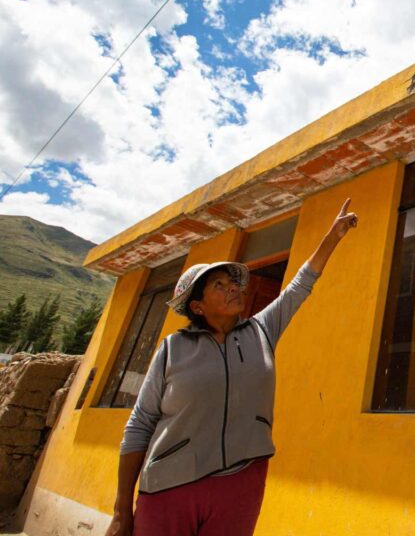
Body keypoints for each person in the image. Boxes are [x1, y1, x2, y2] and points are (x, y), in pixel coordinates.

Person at [105, 199, 358, 536]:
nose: (234, 289)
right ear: (197, 305)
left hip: (241, 484)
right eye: (219, 286)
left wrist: (333, 236)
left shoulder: (261, 331)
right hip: (170, 487)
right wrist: (122, 510)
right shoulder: (172, 349)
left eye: (233, 283)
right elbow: (140, 425)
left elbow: (299, 287)